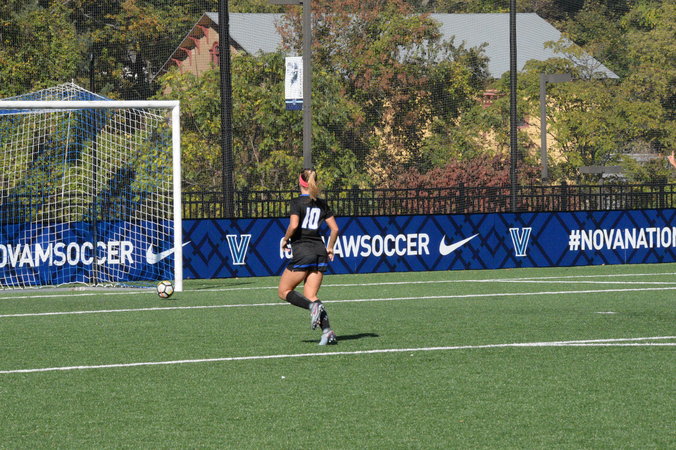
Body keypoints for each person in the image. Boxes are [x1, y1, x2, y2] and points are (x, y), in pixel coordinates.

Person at [278, 169, 339, 345]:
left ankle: (312, 307)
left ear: (300, 182)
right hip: (319, 251)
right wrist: (330, 248)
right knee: (311, 294)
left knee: (284, 291)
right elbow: (335, 229)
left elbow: (294, 225)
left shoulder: (297, 202)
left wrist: (285, 239)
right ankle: (327, 331)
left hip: (303, 251)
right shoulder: (321, 204)